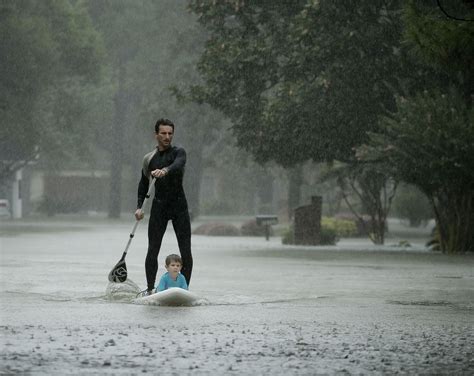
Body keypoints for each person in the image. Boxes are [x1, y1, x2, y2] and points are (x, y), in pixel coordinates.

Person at [135, 118, 192, 295]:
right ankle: (151, 289)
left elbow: (178, 165)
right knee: (153, 249)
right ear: (156, 135)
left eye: (170, 133)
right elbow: (143, 184)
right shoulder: (149, 159)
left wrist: (165, 170)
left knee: (185, 250)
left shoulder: (178, 152)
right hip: (159, 207)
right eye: (163, 133)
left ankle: (184, 289)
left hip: (179, 206)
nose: (167, 137)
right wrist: (139, 207)